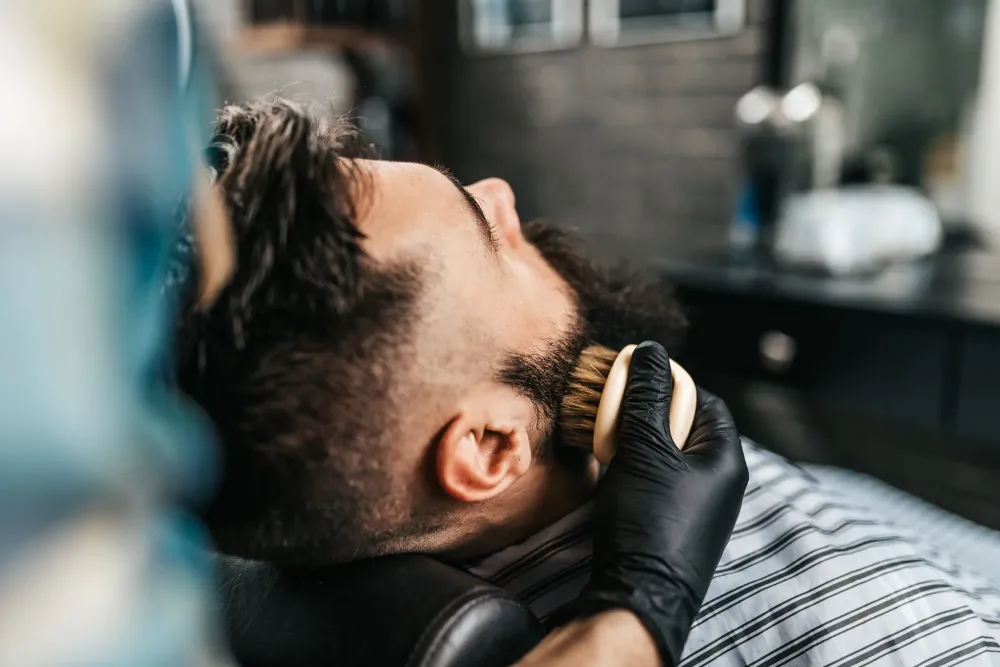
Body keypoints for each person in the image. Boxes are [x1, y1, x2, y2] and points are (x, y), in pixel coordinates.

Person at [174, 99, 1000, 666]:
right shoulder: (890, 636)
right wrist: (648, 596)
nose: (500, 192)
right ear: (490, 445)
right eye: (485, 231)